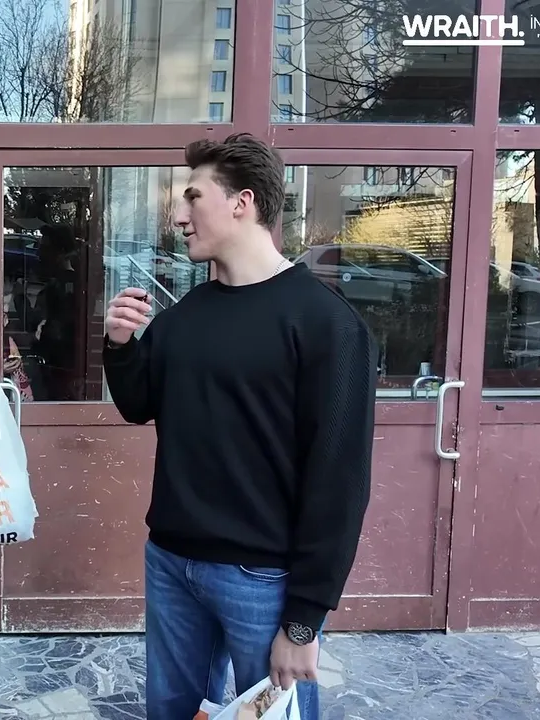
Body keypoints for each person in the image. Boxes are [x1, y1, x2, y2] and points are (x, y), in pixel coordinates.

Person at [102, 133, 377, 720]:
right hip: (171, 561)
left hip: (265, 579)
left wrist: (304, 620)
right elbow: (138, 404)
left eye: (192, 198)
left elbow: (340, 481)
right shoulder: (183, 319)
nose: (179, 217)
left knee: (275, 717)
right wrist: (120, 346)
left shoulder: (326, 324)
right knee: (171, 714)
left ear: (241, 202)